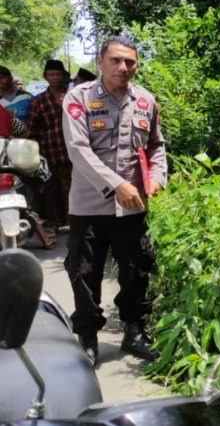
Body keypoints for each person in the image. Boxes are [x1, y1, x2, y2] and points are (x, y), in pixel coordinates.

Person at [62, 36, 167, 366]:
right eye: (116, 61)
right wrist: (117, 184)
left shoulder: (146, 101)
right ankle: (88, 337)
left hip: (133, 206)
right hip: (89, 205)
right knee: (84, 273)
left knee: (137, 269)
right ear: (100, 62)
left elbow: (156, 146)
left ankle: (134, 332)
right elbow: (78, 150)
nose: (123, 68)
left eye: (130, 62)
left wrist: (158, 177)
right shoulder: (78, 98)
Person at [28, 60, 72, 233]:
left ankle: (74, 223)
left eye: (58, 74)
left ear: (63, 76)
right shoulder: (38, 101)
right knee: (51, 191)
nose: (55, 78)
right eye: (51, 74)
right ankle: (54, 223)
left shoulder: (72, 96)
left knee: (73, 189)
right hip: (49, 152)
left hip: (71, 151)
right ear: (45, 77)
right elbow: (32, 130)